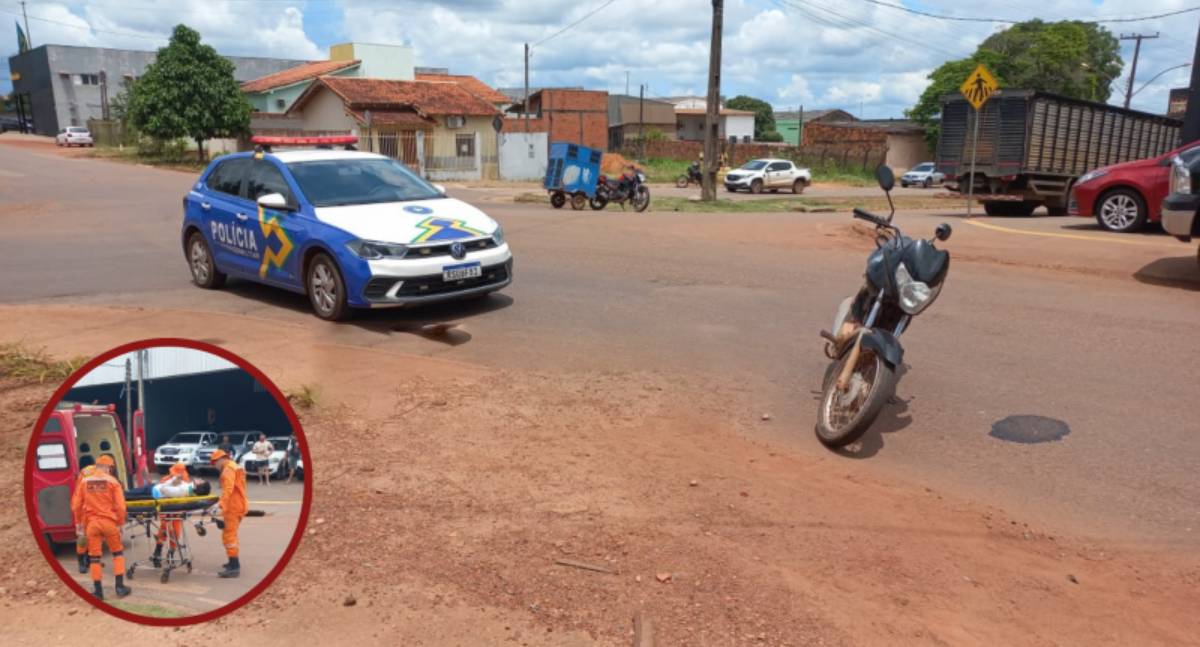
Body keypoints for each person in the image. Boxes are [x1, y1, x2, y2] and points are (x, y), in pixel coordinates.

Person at [70, 454, 130, 600]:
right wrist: (121, 523)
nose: (110, 470)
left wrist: (78, 524)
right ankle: (120, 587)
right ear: (106, 466)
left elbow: (76, 505)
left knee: (95, 558)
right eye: (110, 467)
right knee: (117, 553)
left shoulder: (84, 481)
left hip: (91, 525)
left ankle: (98, 592)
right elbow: (121, 507)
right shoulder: (113, 482)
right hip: (109, 523)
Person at [210, 449, 247, 578]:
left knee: (229, 536)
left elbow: (228, 489)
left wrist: (220, 505)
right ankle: (232, 562)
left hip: (233, 506)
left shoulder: (228, 469)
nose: (215, 467)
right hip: (238, 504)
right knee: (232, 535)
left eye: (214, 463)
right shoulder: (234, 466)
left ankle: (234, 566)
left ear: (220, 460)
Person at [149, 462, 191, 568]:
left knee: (175, 533)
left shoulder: (185, 480)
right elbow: (158, 493)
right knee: (164, 530)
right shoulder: (165, 480)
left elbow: (187, 494)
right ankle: (157, 552)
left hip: (177, 511)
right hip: (166, 509)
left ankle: (171, 553)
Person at [71, 463, 99, 574]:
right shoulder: (90, 474)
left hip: (92, 510)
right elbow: (77, 505)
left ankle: (87, 559)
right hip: (84, 511)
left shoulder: (92, 473)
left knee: (91, 537)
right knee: (83, 538)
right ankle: (81, 561)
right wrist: (78, 522)